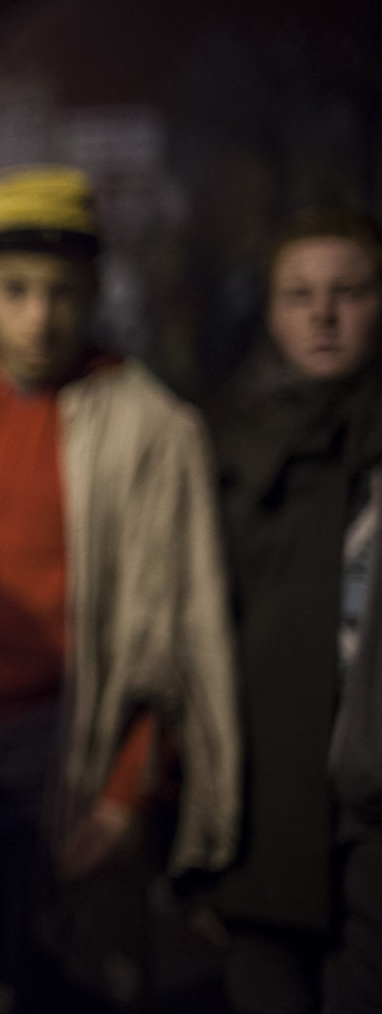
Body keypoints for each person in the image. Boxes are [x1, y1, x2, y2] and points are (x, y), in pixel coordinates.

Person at [0, 164, 241, 1012]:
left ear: (95, 288)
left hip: (61, 736)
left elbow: (173, 631)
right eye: (16, 289)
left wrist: (124, 791)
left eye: (62, 291)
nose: (40, 315)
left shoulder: (150, 429)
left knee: (59, 974)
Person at [207, 209, 382, 1014]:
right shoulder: (235, 448)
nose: (324, 315)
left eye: (350, 291)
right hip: (265, 806)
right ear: (271, 311)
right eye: (300, 294)